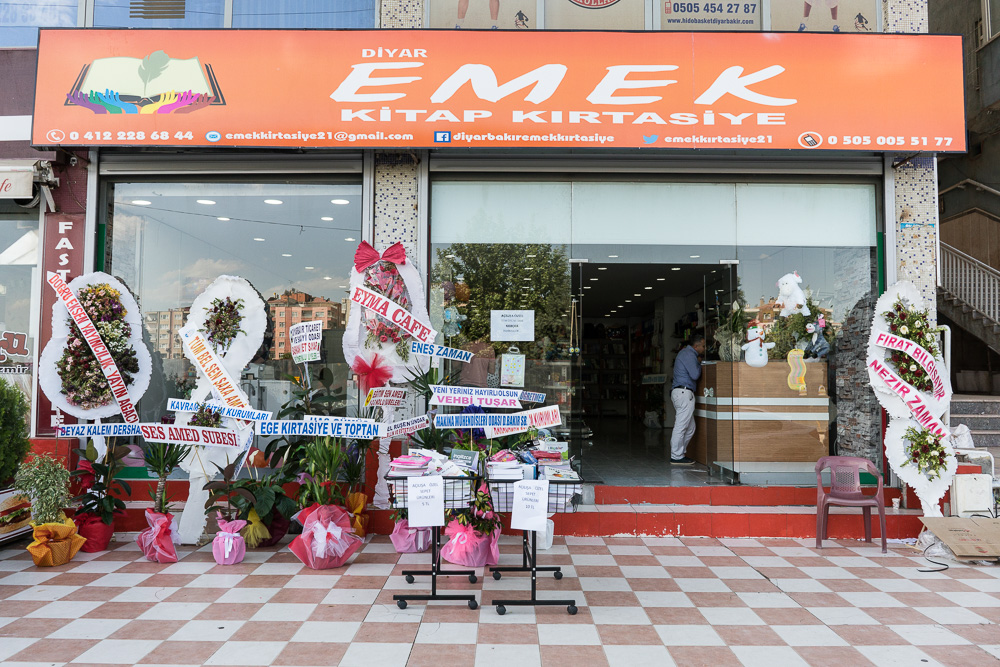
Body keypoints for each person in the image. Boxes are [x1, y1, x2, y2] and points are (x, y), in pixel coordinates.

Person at [670, 334, 705, 465]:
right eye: (703, 345)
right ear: (696, 346)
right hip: (684, 393)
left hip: (681, 392)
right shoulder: (690, 355)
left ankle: (680, 453)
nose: (704, 348)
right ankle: (676, 456)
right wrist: (699, 363)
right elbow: (695, 375)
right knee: (681, 426)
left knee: (690, 428)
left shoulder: (685, 353)